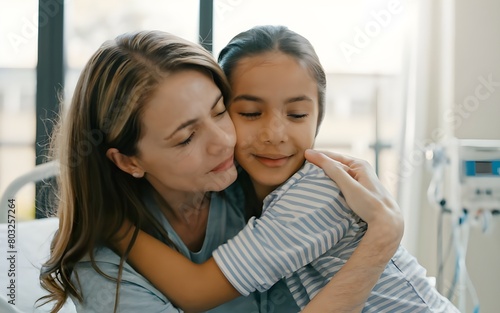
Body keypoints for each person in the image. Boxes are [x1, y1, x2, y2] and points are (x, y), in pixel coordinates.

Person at [39, 29, 403, 313]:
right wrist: (381, 241)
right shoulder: (107, 274)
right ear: (128, 161)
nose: (224, 141)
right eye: (185, 138)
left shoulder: (266, 181)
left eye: (219, 112)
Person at [114, 26, 459, 312]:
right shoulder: (238, 193)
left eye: (296, 115)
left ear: (318, 121)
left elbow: (194, 291)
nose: (274, 135)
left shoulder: (316, 192)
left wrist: (112, 226)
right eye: (250, 113)